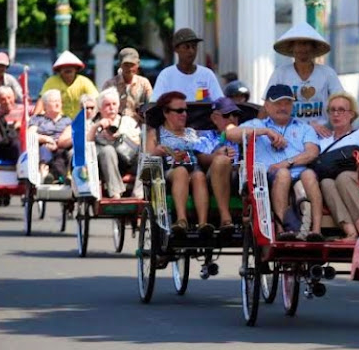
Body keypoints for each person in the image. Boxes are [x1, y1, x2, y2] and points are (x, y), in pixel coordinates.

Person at [226, 84, 324, 241]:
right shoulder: (258, 125)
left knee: (309, 175)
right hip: (266, 177)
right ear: (267, 105)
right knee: (283, 174)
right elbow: (230, 134)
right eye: (278, 103)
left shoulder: (304, 128)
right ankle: (281, 229)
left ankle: (317, 230)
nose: (283, 107)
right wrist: (265, 132)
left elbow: (312, 152)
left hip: (297, 172)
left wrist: (287, 162)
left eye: (287, 103)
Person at [145, 91, 215, 238]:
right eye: (179, 111)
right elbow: (147, 159)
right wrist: (157, 151)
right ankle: (181, 220)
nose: (184, 114)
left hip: (194, 169)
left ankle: (203, 224)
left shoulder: (191, 132)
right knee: (181, 172)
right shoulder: (156, 134)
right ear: (166, 112)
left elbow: (203, 153)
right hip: (167, 172)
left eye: (185, 111)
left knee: (199, 176)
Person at [319, 92, 359, 241]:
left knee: (343, 178)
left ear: (352, 114)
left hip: (357, 180)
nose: (336, 114)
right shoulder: (323, 141)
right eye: (332, 110)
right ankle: (350, 232)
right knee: (326, 183)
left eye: (341, 110)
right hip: (331, 182)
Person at [266, 22, 344, 138]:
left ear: (313, 48)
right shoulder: (281, 73)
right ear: (292, 48)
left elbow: (342, 102)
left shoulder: (328, 73)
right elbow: (267, 106)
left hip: (322, 134)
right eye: (299, 44)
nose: (303, 49)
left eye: (306, 44)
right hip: (288, 134)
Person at [196, 97, 242, 235]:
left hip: (239, 178)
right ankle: (225, 217)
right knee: (221, 160)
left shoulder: (244, 134)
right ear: (215, 118)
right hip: (213, 177)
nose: (232, 119)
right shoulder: (205, 136)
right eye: (227, 115)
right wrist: (216, 154)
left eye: (236, 115)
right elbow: (201, 158)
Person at [86, 88, 141, 199]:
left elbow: (139, 142)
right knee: (107, 150)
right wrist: (96, 127)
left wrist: (121, 136)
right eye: (107, 105)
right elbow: (85, 145)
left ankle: (139, 194)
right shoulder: (92, 123)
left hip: (127, 161)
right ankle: (116, 194)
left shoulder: (127, 121)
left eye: (114, 104)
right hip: (102, 165)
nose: (111, 108)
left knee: (148, 155)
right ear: (100, 108)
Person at [151, 28, 223, 103]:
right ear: (176, 49)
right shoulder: (166, 75)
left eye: (194, 46)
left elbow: (220, 102)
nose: (191, 51)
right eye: (186, 47)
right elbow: (155, 103)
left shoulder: (207, 74)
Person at [35, 51, 98, 118]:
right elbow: (42, 100)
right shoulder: (52, 81)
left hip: (80, 121)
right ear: (59, 70)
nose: (68, 68)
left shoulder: (84, 82)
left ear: (76, 69)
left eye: (71, 66)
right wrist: (34, 118)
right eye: (64, 67)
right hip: (58, 122)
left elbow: (95, 99)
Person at [28, 89, 73, 183]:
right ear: (45, 105)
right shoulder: (37, 119)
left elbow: (69, 137)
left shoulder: (67, 120)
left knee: (63, 156)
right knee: (44, 149)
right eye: (54, 101)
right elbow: (30, 134)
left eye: (59, 101)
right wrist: (46, 139)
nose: (58, 104)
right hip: (43, 147)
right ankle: (44, 174)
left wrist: (57, 144)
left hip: (61, 148)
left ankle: (60, 178)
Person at [102, 47, 153, 118]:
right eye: (126, 65)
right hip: (116, 125)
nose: (129, 68)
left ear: (138, 64)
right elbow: (103, 106)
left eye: (132, 65)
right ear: (119, 64)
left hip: (138, 125)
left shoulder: (144, 83)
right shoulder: (110, 84)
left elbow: (151, 105)